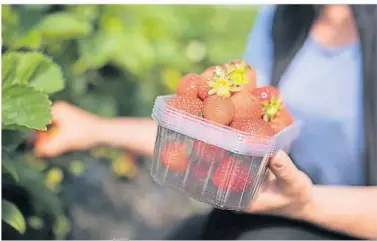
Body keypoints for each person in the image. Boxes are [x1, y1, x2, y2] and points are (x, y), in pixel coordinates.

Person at [35, 4, 377, 240]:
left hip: (347, 219)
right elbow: (218, 129)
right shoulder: (281, 20)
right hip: (281, 199)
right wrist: (93, 129)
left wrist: (306, 203)